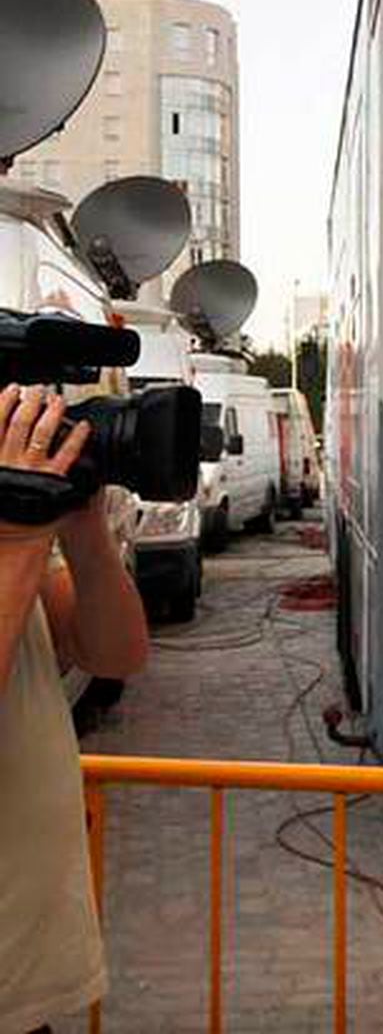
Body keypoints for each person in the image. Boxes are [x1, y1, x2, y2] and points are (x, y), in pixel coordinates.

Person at [0, 384, 149, 1034]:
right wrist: (19, 538)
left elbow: (116, 654)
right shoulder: (12, 540)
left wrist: (83, 529)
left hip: (23, 987)